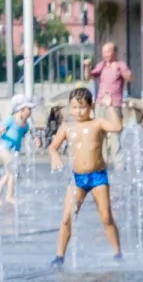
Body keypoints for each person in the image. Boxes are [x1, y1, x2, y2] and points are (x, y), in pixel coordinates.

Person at [47, 89, 125, 266]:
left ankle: (117, 253)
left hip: (98, 177)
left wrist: (110, 106)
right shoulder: (67, 127)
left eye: (82, 107)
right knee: (67, 218)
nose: (77, 111)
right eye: (74, 107)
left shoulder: (97, 123)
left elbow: (117, 127)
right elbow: (52, 147)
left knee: (106, 217)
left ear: (91, 107)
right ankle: (59, 256)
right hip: (77, 179)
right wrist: (54, 155)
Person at [0, 97, 31, 204]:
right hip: (4, 148)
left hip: (13, 151)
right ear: (21, 109)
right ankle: (9, 196)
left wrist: (35, 139)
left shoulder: (25, 124)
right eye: (29, 109)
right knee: (12, 170)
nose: (30, 112)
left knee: (9, 173)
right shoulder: (11, 119)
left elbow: (27, 134)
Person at [87, 42, 133, 108]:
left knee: (114, 118)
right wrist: (87, 67)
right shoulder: (101, 65)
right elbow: (88, 77)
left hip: (115, 103)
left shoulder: (121, 65)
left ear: (115, 52)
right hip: (100, 102)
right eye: (104, 52)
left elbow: (130, 78)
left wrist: (119, 69)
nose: (105, 55)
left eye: (108, 52)